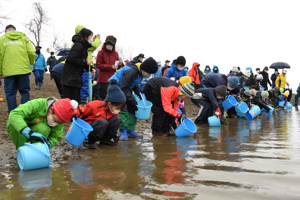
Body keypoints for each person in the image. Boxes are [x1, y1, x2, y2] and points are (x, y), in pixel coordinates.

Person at [108, 57, 158, 140]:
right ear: (144, 69)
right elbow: (123, 87)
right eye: (149, 73)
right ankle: (123, 130)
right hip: (115, 86)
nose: (149, 75)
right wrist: (132, 100)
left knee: (133, 108)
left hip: (125, 88)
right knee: (123, 108)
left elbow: (134, 85)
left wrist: (139, 94)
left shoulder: (140, 73)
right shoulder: (131, 71)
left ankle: (130, 130)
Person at [7, 97, 78, 150]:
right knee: (15, 125)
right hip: (21, 128)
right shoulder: (38, 104)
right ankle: (22, 151)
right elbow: (14, 114)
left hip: (36, 128)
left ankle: (35, 150)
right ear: (51, 110)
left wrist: (49, 143)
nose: (55, 124)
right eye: (55, 120)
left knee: (43, 129)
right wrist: (27, 132)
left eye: (59, 123)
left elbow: (56, 137)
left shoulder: (60, 118)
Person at [74, 79, 126, 149]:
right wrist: (75, 114)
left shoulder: (113, 111)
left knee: (117, 119)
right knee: (103, 122)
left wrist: (114, 135)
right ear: (110, 104)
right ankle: (89, 141)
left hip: (101, 131)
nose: (118, 110)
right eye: (117, 108)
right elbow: (79, 109)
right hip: (87, 131)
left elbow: (114, 124)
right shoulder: (95, 105)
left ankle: (106, 139)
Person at [0, 24, 35, 113]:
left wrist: (0, 72)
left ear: (6, 30)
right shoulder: (23, 38)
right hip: (23, 70)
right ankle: (25, 113)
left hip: (9, 71)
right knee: (24, 92)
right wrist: (31, 63)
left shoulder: (2, 39)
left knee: (10, 94)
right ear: (15, 30)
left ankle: (13, 114)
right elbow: (31, 52)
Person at [61, 28, 93, 103]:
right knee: (71, 102)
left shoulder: (83, 47)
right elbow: (72, 59)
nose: (91, 39)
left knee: (75, 101)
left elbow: (80, 63)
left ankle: (74, 114)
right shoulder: (78, 45)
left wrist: (90, 68)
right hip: (70, 79)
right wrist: (85, 62)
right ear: (86, 37)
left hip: (74, 78)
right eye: (90, 36)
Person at [73, 26, 101, 103]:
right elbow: (94, 46)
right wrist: (97, 39)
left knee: (87, 87)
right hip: (84, 68)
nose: (90, 38)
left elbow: (92, 46)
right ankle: (83, 103)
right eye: (89, 36)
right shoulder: (80, 44)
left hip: (87, 67)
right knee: (84, 87)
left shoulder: (80, 43)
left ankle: (84, 101)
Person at [96, 35, 121, 100]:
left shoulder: (116, 54)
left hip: (113, 79)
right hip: (103, 79)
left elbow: (117, 67)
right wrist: (110, 67)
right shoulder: (100, 53)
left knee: (112, 96)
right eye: (108, 43)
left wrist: (120, 65)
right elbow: (98, 65)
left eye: (111, 44)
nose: (109, 45)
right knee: (104, 96)